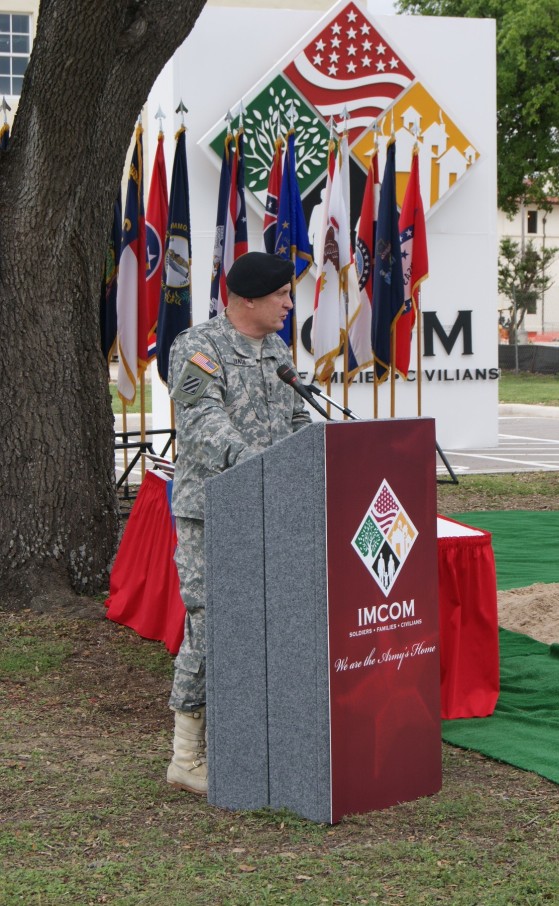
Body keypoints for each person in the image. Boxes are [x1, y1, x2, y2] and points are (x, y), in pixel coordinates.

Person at [165, 251, 312, 795]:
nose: (288, 305)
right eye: (281, 296)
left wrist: (311, 452)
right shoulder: (198, 347)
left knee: (274, 619)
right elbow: (202, 425)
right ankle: (185, 756)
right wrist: (260, 466)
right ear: (248, 298)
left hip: (272, 506)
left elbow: (299, 415)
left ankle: (261, 736)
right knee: (209, 621)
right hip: (212, 511)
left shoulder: (276, 349)